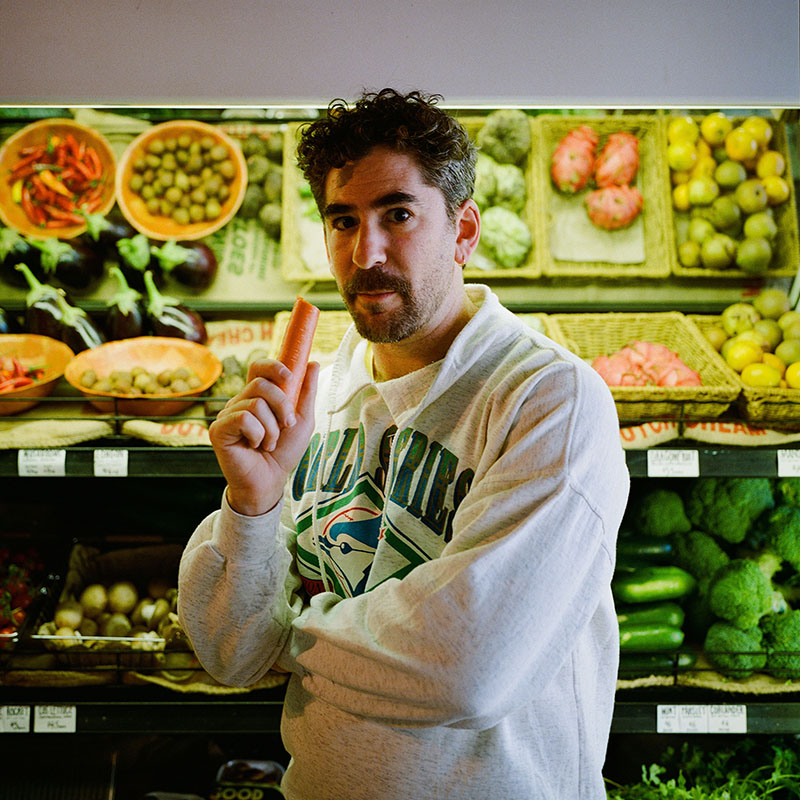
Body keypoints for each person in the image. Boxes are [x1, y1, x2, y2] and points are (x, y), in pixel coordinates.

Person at [178, 88, 630, 800]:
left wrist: (292, 633)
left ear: (464, 231)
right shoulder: (316, 399)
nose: (367, 253)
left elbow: (467, 670)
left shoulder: (549, 401)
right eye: (343, 220)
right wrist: (251, 503)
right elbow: (231, 653)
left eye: (399, 214)